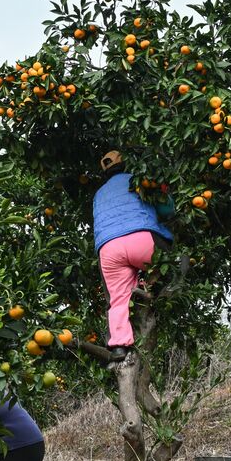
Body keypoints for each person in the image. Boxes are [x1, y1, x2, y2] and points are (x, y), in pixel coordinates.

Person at [91, 151, 173, 361]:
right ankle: (162, 289)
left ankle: (119, 346)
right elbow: (166, 209)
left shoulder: (99, 194)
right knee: (166, 263)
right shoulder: (138, 180)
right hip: (141, 239)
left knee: (117, 298)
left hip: (109, 249)